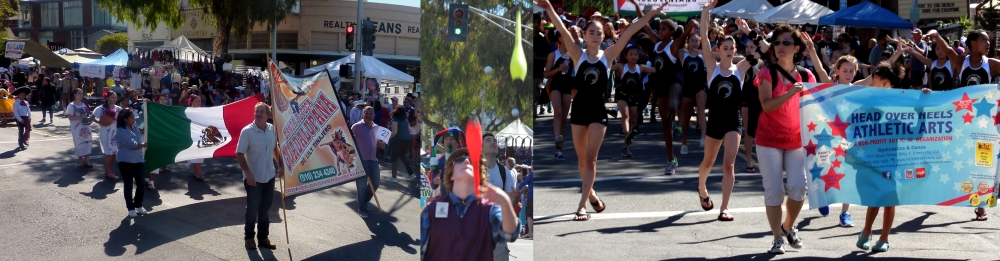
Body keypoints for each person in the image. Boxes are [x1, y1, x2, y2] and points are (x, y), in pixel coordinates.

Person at [537, 0, 665, 221]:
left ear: (603, 35)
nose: (595, 36)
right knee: (580, 160)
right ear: (585, 35)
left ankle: (582, 206)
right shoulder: (578, 54)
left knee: (590, 160)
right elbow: (560, 27)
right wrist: (548, 7)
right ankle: (592, 194)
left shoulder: (608, 55)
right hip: (578, 112)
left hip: (598, 112)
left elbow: (632, 30)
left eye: (599, 33)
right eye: (591, 33)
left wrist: (650, 15)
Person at [754, 24, 816, 254]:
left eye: (786, 43)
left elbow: (827, 85)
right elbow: (767, 106)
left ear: (796, 47)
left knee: (799, 188)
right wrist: (790, 92)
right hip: (768, 139)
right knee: (774, 192)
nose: (780, 47)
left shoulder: (806, 74)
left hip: (796, 140)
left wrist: (814, 55)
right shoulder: (766, 73)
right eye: (777, 42)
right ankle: (777, 237)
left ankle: (788, 227)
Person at [695, 2, 753, 221]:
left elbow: (763, 54)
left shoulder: (741, 69)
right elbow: (703, 37)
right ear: (718, 50)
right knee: (707, 162)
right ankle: (701, 187)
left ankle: (724, 208)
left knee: (728, 164)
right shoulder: (712, 67)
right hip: (715, 122)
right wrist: (705, 12)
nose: (729, 51)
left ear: (735, 51)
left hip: (733, 121)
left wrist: (748, 31)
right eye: (725, 48)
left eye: (732, 48)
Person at [855, 62, 920, 252]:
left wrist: (922, 105)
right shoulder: (867, 100)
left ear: (884, 83)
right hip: (870, 158)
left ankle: (884, 238)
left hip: (891, 159)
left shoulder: (901, 102)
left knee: (889, 198)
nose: (869, 84)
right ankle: (866, 232)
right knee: (874, 197)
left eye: (872, 81)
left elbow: (915, 133)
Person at [420, 148, 520, 260]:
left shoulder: (490, 209)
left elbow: (510, 234)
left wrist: (505, 202)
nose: (467, 161)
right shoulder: (431, 210)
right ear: (451, 174)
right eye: (460, 160)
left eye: (472, 161)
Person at [235, 102, 283, 250]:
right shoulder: (247, 132)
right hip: (253, 178)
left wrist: (281, 165)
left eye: (262, 112)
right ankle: (249, 238)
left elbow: (274, 148)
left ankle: (263, 237)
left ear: (268, 115)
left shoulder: (271, 130)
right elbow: (239, 153)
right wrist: (247, 172)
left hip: (269, 175)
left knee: (265, 209)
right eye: (257, 111)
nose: (258, 114)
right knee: (252, 209)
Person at [610, 45, 657, 157]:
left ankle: (626, 148)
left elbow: (656, 70)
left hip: (634, 97)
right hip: (622, 96)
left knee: (631, 120)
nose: (634, 57)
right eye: (631, 54)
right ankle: (626, 133)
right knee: (625, 115)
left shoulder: (640, 68)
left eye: (636, 54)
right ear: (626, 56)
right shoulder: (621, 66)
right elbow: (606, 67)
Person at [481, 133, 517, 261]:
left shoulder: (505, 172)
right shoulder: (471, 169)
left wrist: (516, 198)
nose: (493, 142)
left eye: (495, 141)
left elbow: (509, 204)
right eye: (488, 140)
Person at [544, 29, 574, 160]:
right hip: (556, 85)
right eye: (566, 36)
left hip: (567, 87)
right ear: (560, 39)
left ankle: (559, 149)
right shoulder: (553, 55)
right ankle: (557, 138)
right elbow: (546, 74)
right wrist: (558, 69)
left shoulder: (573, 55)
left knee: (564, 118)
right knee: (558, 111)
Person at [679, 21, 708, 154]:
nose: (694, 43)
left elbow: (709, 51)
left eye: (697, 41)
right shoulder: (683, 55)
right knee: (686, 116)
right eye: (692, 41)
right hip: (687, 88)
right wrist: (689, 29)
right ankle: (684, 142)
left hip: (700, 86)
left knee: (701, 109)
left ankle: (703, 136)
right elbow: (678, 44)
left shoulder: (702, 56)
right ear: (688, 42)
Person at [113, 108, 149, 218]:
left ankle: (138, 205)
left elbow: (137, 141)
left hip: (138, 160)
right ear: (125, 119)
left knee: (141, 183)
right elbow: (133, 145)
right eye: (132, 117)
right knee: (128, 185)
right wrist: (142, 144)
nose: (134, 119)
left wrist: (140, 143)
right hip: (125, 161)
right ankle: (130, 207)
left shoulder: (135, 128)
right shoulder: (120, 131)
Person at [352, 107, 386, 218]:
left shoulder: (377, 128)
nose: (368, 115)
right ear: (363, 114)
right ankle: (362, 208)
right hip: (361, 162)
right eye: (366, 113)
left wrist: (382, 145)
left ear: (374, 115)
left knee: (375, 184)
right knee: (361, 187)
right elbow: (348, 141)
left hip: (374, 161)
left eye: (370, 114)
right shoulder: (356, 127)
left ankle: (365, 201)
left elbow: (381, 144)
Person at [93, 91, 121, 179]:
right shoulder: (101, 108)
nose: (114, 99)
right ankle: (108, 171)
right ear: (107, 98)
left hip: (115, 132)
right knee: (108, 153)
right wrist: (100, 122)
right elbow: (92, 117)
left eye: (115, 97)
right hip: (105, 132)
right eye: (112, 97)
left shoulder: (119, 109)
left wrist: (116, 118)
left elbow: (124, 119)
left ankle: (110, 169)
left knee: (114, 153)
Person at [67, 88, 94, 168]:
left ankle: (87, 160)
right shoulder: (71, 105)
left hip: (86, 126)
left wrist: (89, 120)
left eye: (82, 93)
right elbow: (70, 117)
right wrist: (80, 117)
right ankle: (80, 160)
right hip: (77, 127)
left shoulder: (85, 104)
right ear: (74, 95)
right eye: (79, 93)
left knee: (88, 142)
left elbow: (88, 115)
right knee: (78, 143)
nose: (81, 95)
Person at [388, 105, 415, 182]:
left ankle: (394, 178)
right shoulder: (406, 120)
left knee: (393, 158)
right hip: (407, 140)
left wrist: (387, 137)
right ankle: (411, 174)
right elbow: (410, 130)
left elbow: (394, 132)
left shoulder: (394, 120)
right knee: (403, 157)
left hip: (397, 141)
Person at [188, 94, 207, 180]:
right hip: (193, 136)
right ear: (192, 102)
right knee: (197, 155)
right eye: (196, 101)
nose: (199, 103)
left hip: (201, 135)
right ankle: (198, 173)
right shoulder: (189, 111)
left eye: (200, 101)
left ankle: (195, 172)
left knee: (199, 155)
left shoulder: (202, 111)